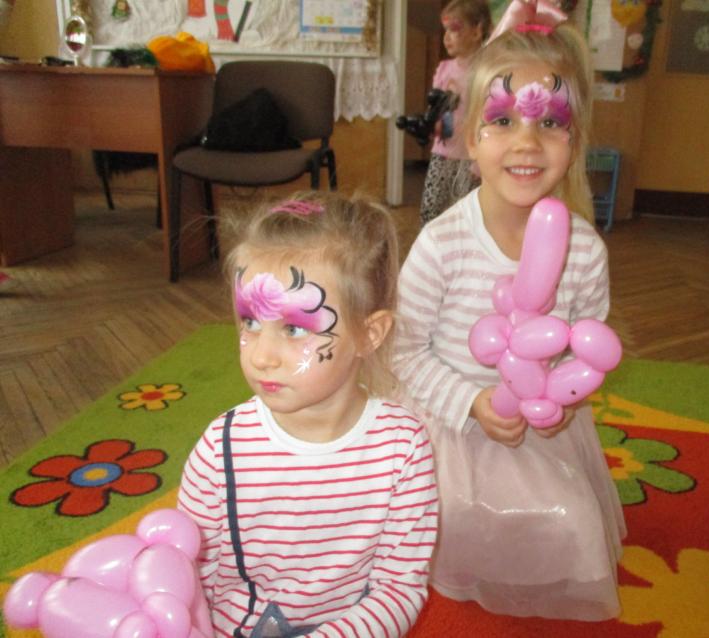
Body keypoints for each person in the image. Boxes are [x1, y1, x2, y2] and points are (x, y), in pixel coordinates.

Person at [392, 0, 625, 621]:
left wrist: (563, 400)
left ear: (574, 141)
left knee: (570, 524)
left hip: (538, 424)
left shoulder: (584, 251)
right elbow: (404, 350)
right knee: (444, 521)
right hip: (451, 419)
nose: (527, 141)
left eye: (550, 122)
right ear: (470, 138)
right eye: (501, 120)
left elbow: (583, 348)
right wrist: (471, 403)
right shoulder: (442, 243)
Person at [178, 192, 439, 638]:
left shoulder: (403, 447)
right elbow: (190, 578)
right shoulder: (220, 449)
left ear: (369, 334)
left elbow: (398, 588)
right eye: (250, 322)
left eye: (295, 328)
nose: (262, 356)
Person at [418, 0, 491, 226]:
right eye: (445, 30)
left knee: (467, 214)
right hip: (443, 153)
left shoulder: (487, 71)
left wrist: (480, 163)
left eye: (454, 30)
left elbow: (490, 117)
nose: (446, 37)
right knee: (431, 210)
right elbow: (437, 110)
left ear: (477, 31)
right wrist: (434, 125)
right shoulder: (444, 69)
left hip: (472, 158)